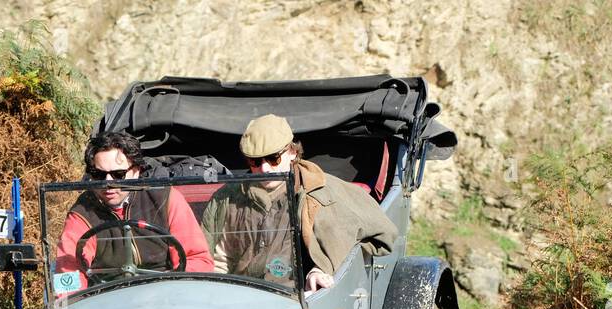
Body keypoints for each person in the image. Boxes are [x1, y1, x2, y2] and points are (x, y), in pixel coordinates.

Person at [202, 114, 398, 292]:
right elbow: (218, 259)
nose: (265, 168)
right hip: (238, 296)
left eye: (273, 158)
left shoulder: (321, 193)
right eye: (255, 161)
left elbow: (351, 236)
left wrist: (319, 269)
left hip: (294, 300)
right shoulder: (228, 198)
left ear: (292, 152)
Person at [54, 131, 213, 291]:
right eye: (98, 175)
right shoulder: (82, 213)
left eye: (118, 174)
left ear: (136, 171)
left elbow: (196, 258)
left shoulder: (165, 198)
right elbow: (67, 270)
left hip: (166, 294)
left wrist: (176, 292)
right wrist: (74, 306)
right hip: (108, 299)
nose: (108, 183)